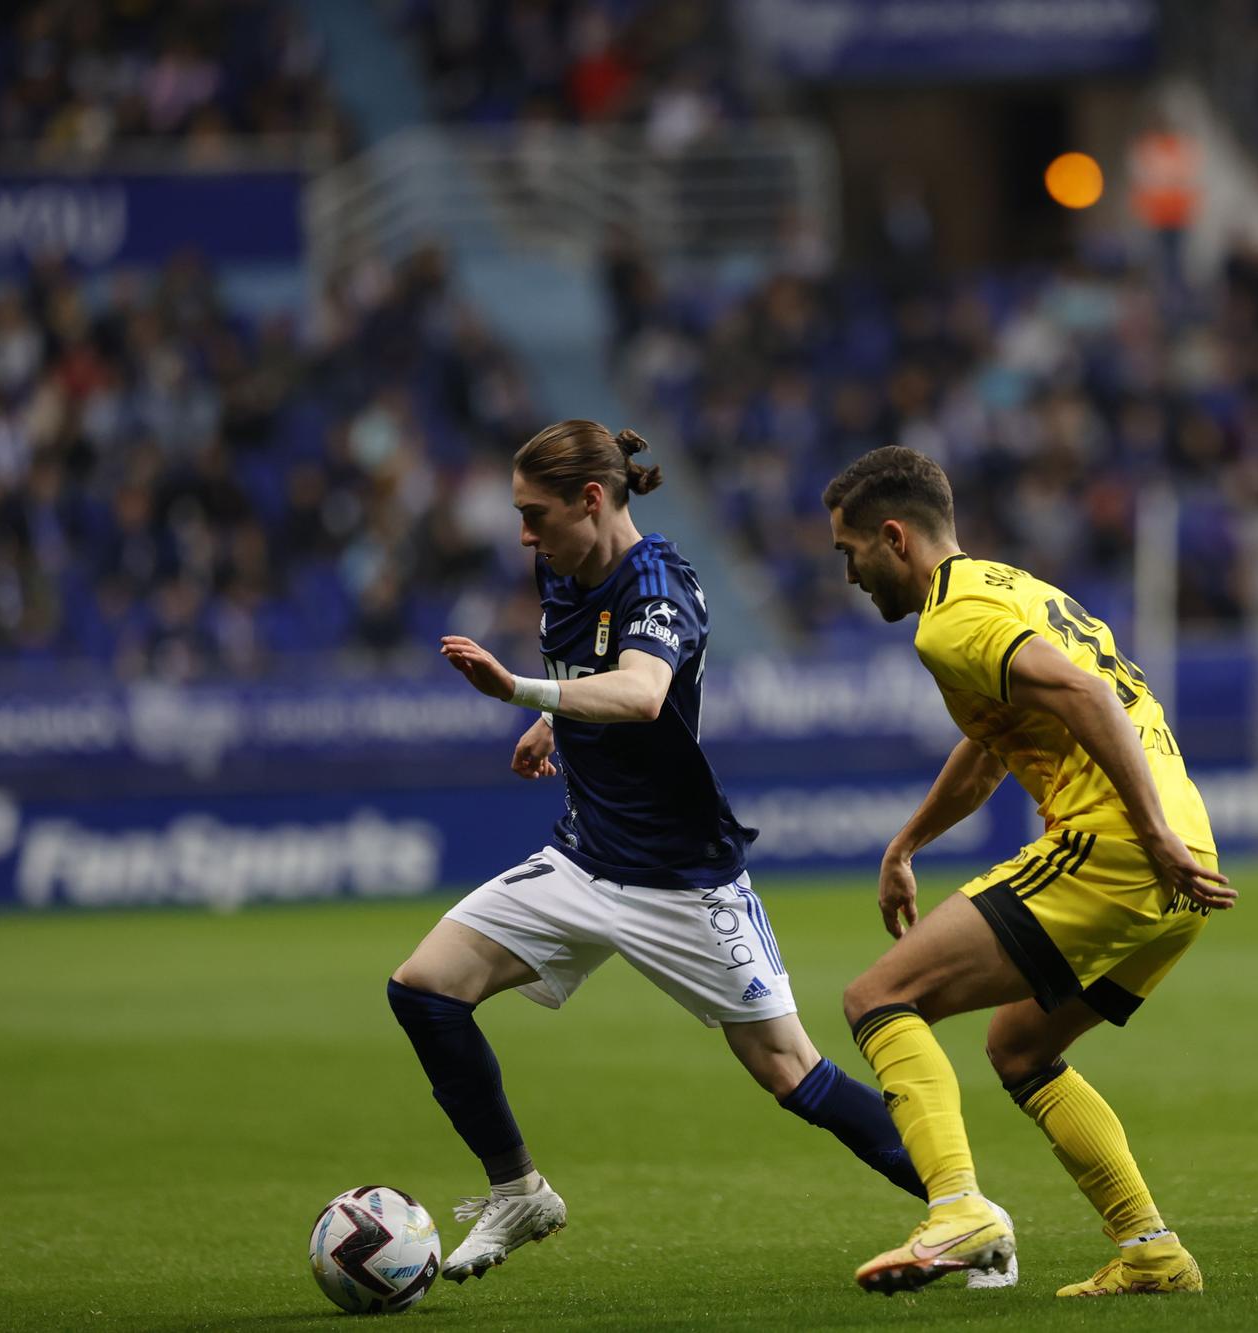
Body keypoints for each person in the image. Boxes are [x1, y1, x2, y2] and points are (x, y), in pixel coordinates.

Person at [390, 421, 1012, 1286]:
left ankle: (968, 1214)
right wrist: (551, 720)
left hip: (683, 881)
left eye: (536, 514)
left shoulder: (662, 584)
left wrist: (519, 691)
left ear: (593, 500)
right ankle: (518, 1189)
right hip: (582, 857)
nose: (524, 534)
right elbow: (589, 667)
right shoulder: (560, 566)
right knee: (423, 989)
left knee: (791, 1071)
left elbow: (645, 692)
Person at [822, 445, 1233, 1297]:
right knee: (1019, 1046)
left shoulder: (951, 619)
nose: (850, 574)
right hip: (1180, 853)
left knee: (877, 998)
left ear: (893, 537)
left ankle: (957, 1207)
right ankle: (1151, 1250)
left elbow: (1082, 694)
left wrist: (1148, 833)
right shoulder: (1010, 587)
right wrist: (906, 844)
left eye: (848, 551)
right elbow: (992, 743)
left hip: (1121, 845)